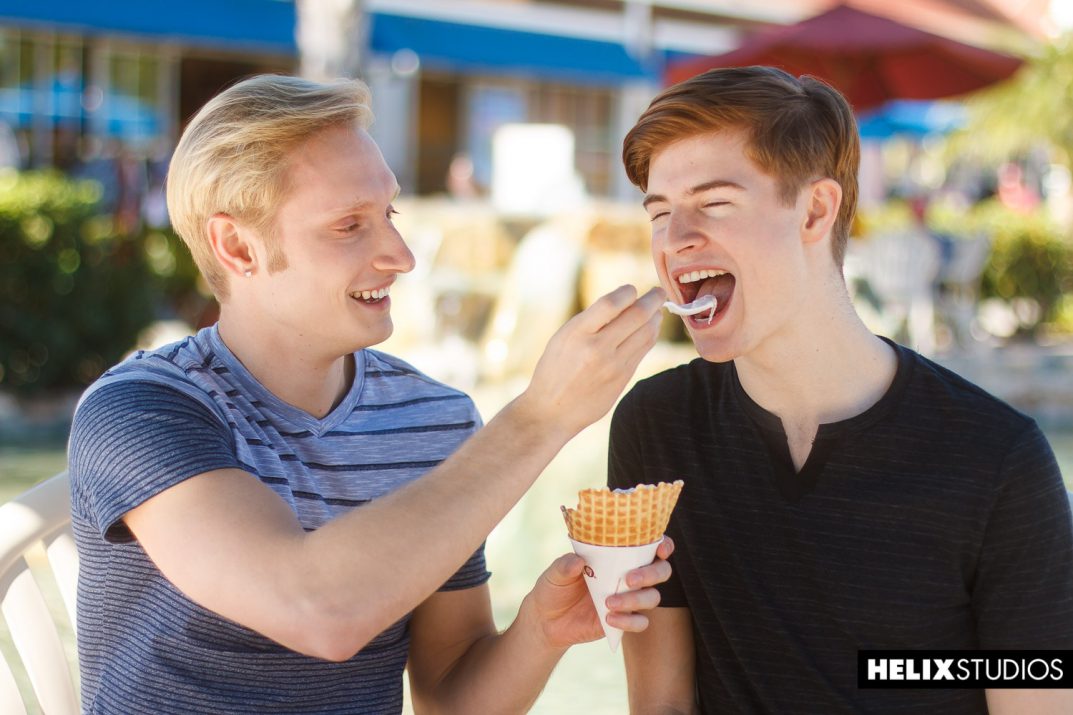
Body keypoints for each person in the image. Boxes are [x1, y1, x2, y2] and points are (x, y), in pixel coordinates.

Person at [67, 74, 670, 714]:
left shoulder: (433, 418)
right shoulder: (139, 412)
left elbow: (449, 700)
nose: (401, 256)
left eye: (389, 214)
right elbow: (318, 609)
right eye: (349, 225)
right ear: (237, 246)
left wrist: (540, 632)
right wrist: (538, 419)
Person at [608, 66, 1073, 714]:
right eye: (659, 212)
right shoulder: (655, 425)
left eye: (713, 203)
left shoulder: (1000, 461)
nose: (675, 239)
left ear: (815, 210)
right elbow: (660, 704)